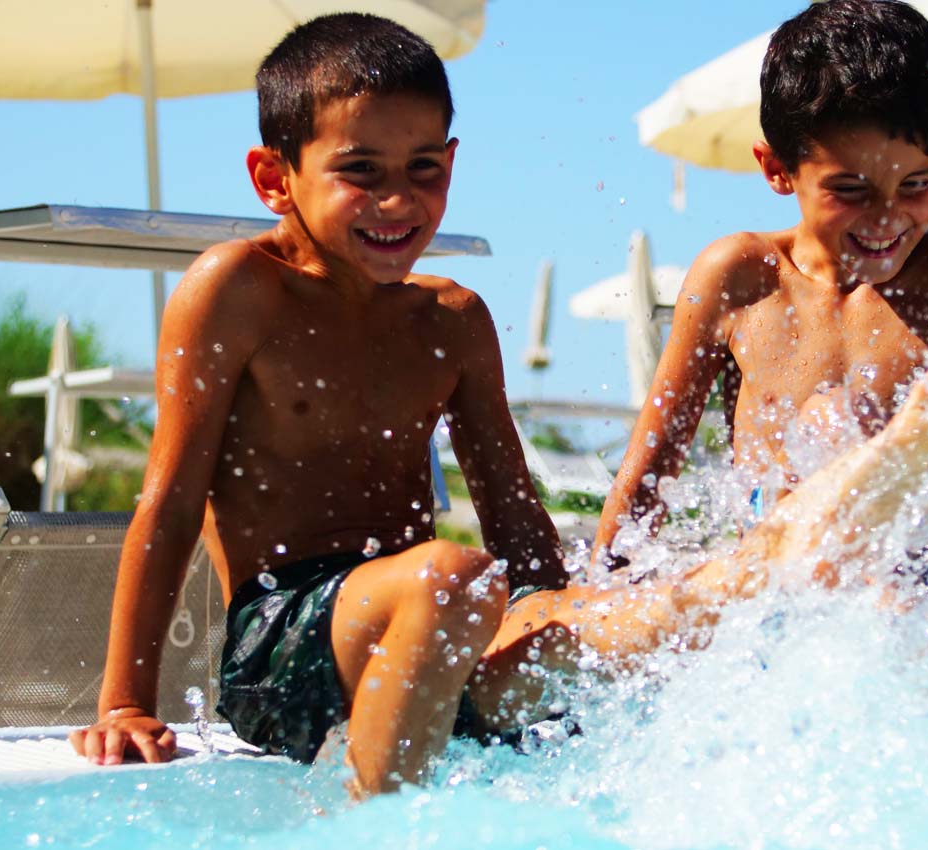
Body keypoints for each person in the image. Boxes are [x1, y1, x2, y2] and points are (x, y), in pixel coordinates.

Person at [70, 13, 565, 795]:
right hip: (281, 644)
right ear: (275, 179)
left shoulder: (454, 321)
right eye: (361, 170)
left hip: (427, 625)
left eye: (424, 168)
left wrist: (564, 617)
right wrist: (125, 701)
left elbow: (514, 519)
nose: (398, 200)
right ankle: (364, 829)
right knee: (453, 580)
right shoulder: (239, 293)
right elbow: (169, 503)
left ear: (453, 163)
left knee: (632, 630)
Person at [591, 0, 928, 614]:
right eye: (850, 190)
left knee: (895, 590)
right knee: (821, 432)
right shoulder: (741, 279)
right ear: (776, 169)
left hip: (918, 618)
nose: (890, 216)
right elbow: (644, 485)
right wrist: (595, 614)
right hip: (774, 617)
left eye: (918, 183)